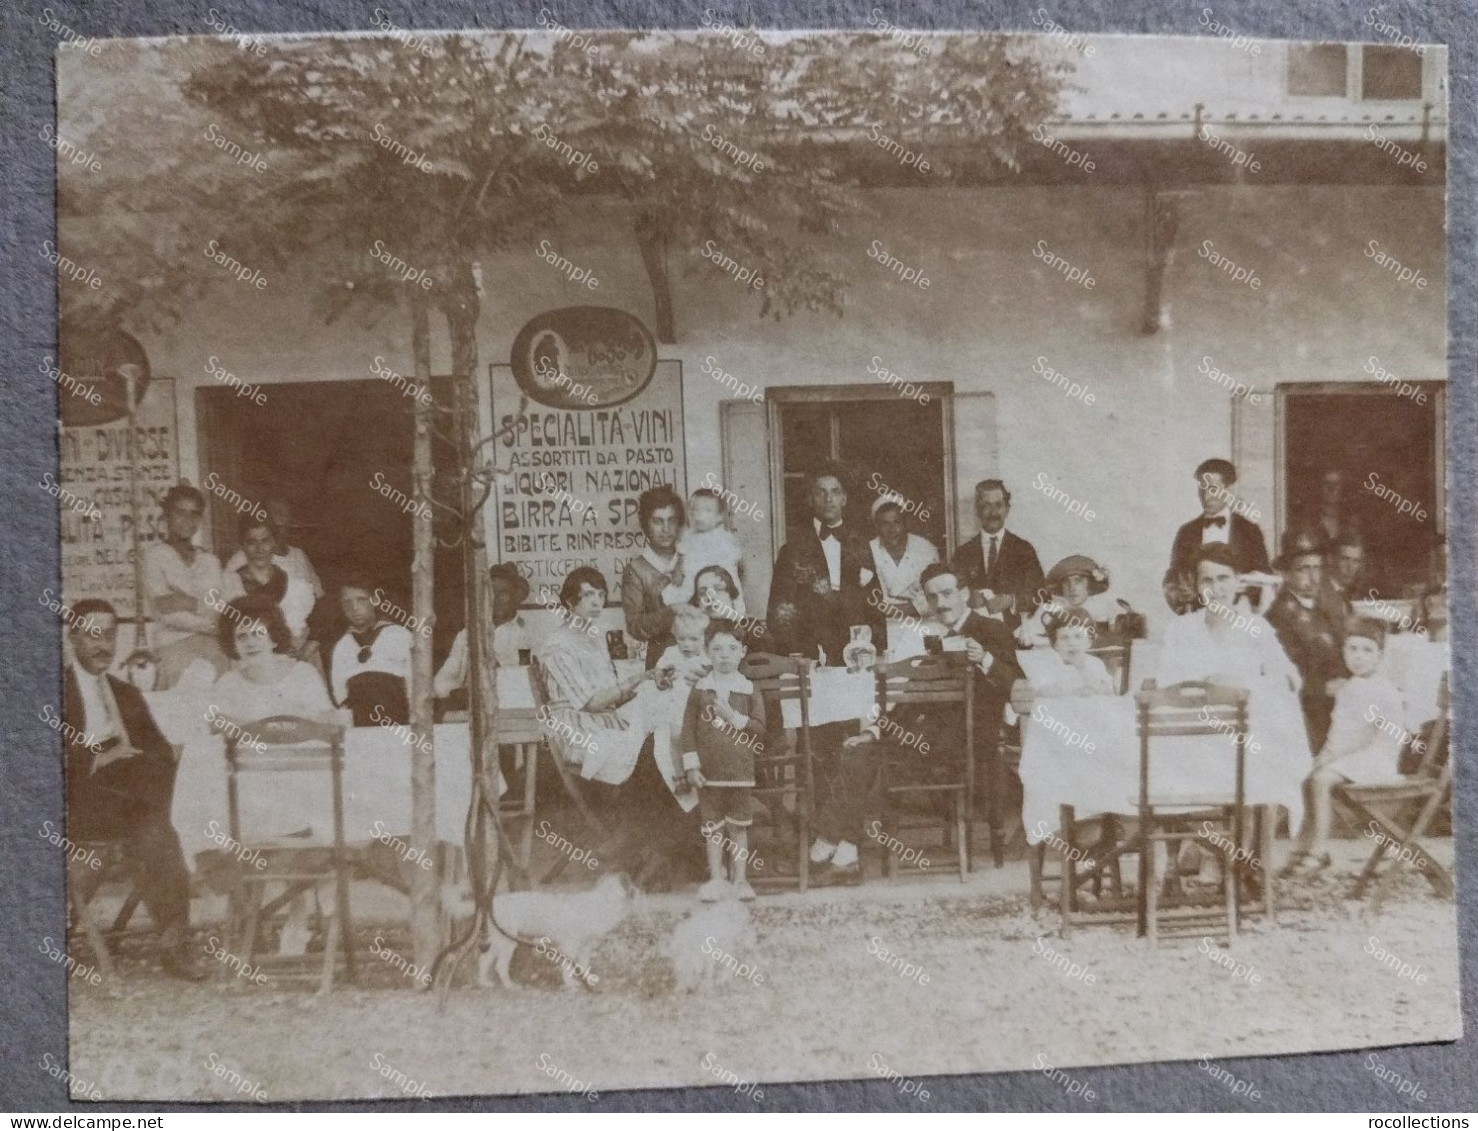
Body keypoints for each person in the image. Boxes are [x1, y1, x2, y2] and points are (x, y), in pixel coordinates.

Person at [808, 563, 1023, 879]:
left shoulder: (992, 630)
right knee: (858, 750)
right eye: (933, 597)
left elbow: (1016, 685)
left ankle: (833, 841)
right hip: (926, 737)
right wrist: (875, 731)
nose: (941, 603)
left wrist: (986, 659)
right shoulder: (930, 637)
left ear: (964, 593)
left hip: (973, 739)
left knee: (875, 759)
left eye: (948, 593)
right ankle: (846, 849)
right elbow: (912, 697)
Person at [62, 599, 204, 980]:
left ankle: (175, 945)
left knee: (159, 830)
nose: (102, 644)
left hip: (127, 798)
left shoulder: (125, 694)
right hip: (77, 801)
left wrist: (145, 762)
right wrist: (98, 756)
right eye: (92, 634)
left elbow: (157, 751)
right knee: (152, 818)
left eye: (109, 634)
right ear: (72, 636)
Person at [537, 567, 693, 887]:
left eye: (600, 594)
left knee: (666, 733)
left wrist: (648, 680)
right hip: (577, 727)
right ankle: (649, 841)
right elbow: (590, 701)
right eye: (587, 596)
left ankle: (655, 842)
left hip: (601, 717)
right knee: (648, 748)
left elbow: (609, 694)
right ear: (569, 602)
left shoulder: (592, 637)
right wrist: (637, 680)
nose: (596, 602)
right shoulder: (557, 645)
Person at [207, 595, 339, 956]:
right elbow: (213, 727)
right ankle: (279, 920)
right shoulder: (228, 684)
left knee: (314, 818)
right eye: (241, 636)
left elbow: (329, 723)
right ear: (231, 644)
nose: (249, 642)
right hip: (253, 806)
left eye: (256, 633)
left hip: (303, 796)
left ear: (273, 636)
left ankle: (301, 920)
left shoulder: (303, 674)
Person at [1283, 618, 1406, 875]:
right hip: (1354, 755)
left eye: (1367, 650)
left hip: (1376, 757)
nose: (1358, 657)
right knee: (1307, 777)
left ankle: (1318, 850)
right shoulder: (1353, 686)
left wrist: (1327, 758)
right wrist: (1324, 756)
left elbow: (1359, 737)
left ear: (1380, 656)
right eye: (1352, 649)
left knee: (1320, 779)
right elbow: (1339, 731)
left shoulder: (1379, 689)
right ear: (1343, 651)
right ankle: (1301, 848)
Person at [680, 619, 766, 901]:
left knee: (738, 827)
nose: (724, 655)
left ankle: (740, 879)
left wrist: (733, 717)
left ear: (743, 651)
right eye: (717, 649)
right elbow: (688, 730)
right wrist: (691, 765)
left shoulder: (749, 689)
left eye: (731, 648)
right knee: (713, 827)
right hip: (708, 772)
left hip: (739, 769)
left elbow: (759, 728)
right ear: (707, 652)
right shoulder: (700, 690)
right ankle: (717, 878)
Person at [766, 463, 885, 664]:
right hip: (811, 652)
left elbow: (875, 606)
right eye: (821, 493)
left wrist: (874, 647)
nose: (828, 499)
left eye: (835, 492)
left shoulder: (861, 545)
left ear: (844, 499)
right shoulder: (792, 550)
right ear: (810, 500)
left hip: (855, 652)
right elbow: (779, 612)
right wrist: (796, 656)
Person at [1264, 529, 1347, 753]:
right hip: (1310, 713)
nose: (1313, 578)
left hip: (1340, 703)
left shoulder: (1323, 608)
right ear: (1287, 574)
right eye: (1303, 570)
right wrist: (1324, 688)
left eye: (1317, 568)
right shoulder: (1279, 617)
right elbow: (1284, 677)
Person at [141, 482, 227, 689]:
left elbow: (217, 610)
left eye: (194, 514)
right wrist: (202, 608)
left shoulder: (210, 561)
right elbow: (166, 612)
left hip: (214, 647)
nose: (187, 520)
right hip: (172, 646)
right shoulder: (153, 556)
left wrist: (185, 601)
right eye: (180, 512)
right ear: (167, 516)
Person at [1163, 459, 1271, 615]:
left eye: (1213, 489)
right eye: (1202, 490)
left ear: (1229, 490)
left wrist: (1245, 586)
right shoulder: (1186, 533)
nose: (1206, 496)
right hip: (1198, 621)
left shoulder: (1249, 531)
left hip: (1239, 621)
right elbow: (1173, 581)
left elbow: (1265, 579)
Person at [949, 479, 1044, 631]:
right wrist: (966, 600)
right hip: (975, 636)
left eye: (998, 505)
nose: (993, 513)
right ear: (977, 510)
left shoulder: (1024, 550)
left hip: (1015, 635)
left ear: (1007, 509)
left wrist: (1011, 600)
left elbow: (1041, 595)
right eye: (986, 506)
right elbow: (949, 595)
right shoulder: (963, 553)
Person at [217, 514, 318, 655]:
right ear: (243, 545)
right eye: (252, 542)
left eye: (265, 541)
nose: (260, 549)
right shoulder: (229, 585)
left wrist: (299, 643)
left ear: (274, 543)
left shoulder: (296, 587)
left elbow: (306, 629)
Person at [433, 563, 533, 699]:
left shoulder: (529, 633)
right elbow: (443, 678)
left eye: (503, 593)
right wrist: (458, 690)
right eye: (490, 594)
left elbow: (526, 684)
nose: (495, 600)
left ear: (517, 596)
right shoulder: (467, 635)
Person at [329, 577, 412, 726]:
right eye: (347, 602)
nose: (354, 608)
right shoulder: (342, 646)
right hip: (360, 720)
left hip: (398, 716)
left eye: (361, 600)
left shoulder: (399, 635)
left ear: (374, 600)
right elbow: (340, 692)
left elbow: (414, 682)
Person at [621, 486, 686, 669]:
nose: (666, 529)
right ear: (645, 525)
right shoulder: (635, 570)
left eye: (671, 521)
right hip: (661, 660)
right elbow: (635, 626)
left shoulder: (690, 560)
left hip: (700, 657)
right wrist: (671, 611)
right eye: (658, 521)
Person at [223, 497, 324, 600]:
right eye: (276, 512)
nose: (281, 518)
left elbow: (317, 593)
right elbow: (226, 596)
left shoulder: (299, 555)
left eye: (285, 513)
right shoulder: (244, 557)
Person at [1015, 554, 1121, 649]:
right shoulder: (1050, 609)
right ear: (1061, 587)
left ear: (1089, 584)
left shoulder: (1103, 610)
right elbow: (1023, 637)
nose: (1072, 588)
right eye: (1066, 582)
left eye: (1078, 581)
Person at [663, 488, 745, 610]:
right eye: (695, 510)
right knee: (684, 606)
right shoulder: (688, 536)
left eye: (707, 511)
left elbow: (733, 568)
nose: (700, 515)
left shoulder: (724, 538)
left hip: (715, 581)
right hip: (691, 581)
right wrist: (678, 570)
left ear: (720, 516)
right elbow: (680, 556)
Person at [868, 493, 940, 618]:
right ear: (877, 527)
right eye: (885, 524)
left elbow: (936, 595)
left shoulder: (925, 549)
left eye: (897, 522)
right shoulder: (868, 550)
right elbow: (868, 601)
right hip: (881, 622)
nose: (892, 530)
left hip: (922, 621)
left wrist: (910, 608)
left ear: (906, 523)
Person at [1030, 610, 1115, 697]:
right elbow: (1041, 693)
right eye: (1064, 637)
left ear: (1089, 641)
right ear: (1055, 644)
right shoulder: (1051, 668)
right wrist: (1070, 693)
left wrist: (1100, 689)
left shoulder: (1095, 664)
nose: (1071, 643)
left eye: (1078, 636)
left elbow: (1109, 692)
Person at [1323, 532, 1368, 613]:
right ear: (1330, 559)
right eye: (1345, 559)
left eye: (1356, 561)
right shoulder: (1319, 592)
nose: (1350, 567)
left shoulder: (1352, 594)